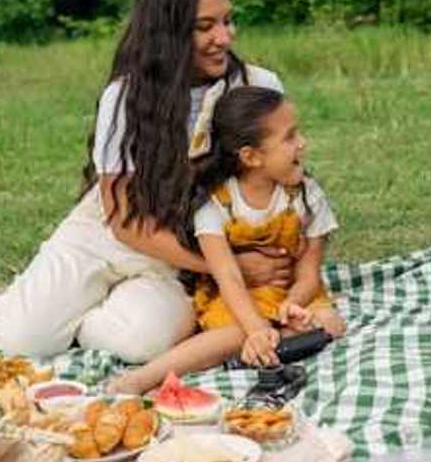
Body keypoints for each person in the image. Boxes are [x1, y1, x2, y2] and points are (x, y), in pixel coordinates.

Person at [0, 0, 294, 363]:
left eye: (228, 21)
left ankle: (69, 309)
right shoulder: (124, 98)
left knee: (135, 344)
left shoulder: (258, 87)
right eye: (204, 26)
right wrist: (230, 270)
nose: (224, 37)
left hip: (181, 261)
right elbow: (123, 221)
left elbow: (282, 186)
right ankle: (1, 304)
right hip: (107, 235)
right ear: (168, 33)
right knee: (17, 342)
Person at [109, 86, 345, 394]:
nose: (302, 143)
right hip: (237, 297)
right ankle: (143, 378)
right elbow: (228, 276)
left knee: (330, 324)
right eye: (289, 137)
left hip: (291, 292)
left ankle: (263, 345)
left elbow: (309, 272)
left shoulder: (306, 194)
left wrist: (293, 305)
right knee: (235, 333)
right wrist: (256, 326)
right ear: (250, 156)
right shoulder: (216, 204)